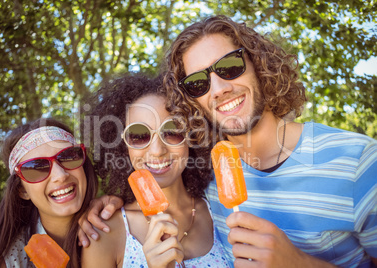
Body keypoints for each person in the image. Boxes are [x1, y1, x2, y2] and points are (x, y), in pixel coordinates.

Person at [80, 16, 377, 268]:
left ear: (258, 63)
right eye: (198, 82)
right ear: (191, 102)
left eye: (231, 65)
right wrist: (106, 202)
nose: (219, 88)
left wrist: (299, 262)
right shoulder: (212, 177)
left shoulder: (359, 162)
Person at [81, 74, 230, 267]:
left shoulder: (219, 208)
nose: (157, 150)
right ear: (122, 146)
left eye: (172, 132)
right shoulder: (102, 232)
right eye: (139, 135)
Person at [0, 118, 98, 268]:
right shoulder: (8, 262)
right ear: (22, 190)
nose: (60, 175)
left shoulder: (118, 223)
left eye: (68, 156)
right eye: (36, 168)